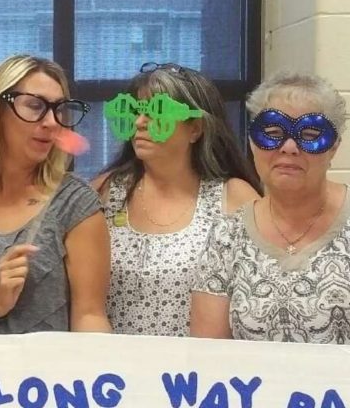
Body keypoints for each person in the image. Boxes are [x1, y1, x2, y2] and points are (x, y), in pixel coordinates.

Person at [191, 71, 350, 346]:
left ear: (334, 147)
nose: (289, 147)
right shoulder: (226, 236)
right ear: (253, 142)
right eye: (273, 133)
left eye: (310, 134)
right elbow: (209, 351)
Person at [0, 55, 111, 334]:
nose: (51, 122)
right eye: (35, 106)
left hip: (49, 364)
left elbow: (90, 317)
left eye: (59, 109)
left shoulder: (75, 204)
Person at [94, 62, 261, 337]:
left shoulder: (233, 199)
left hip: (196, 362)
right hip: (116, 361)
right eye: (134, 110)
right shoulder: (105, 192)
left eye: (156, 112)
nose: (139, 123)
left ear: (195, 128)